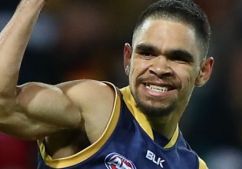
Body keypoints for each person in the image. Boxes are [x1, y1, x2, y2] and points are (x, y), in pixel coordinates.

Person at [0, 0, 214, 168]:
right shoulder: (98, 106)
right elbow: (3, 105)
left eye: (177, 57)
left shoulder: (193, 166)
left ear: (203, 71)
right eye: (147, 53)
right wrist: (32, 2)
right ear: (127, 58)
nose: (159, 68)